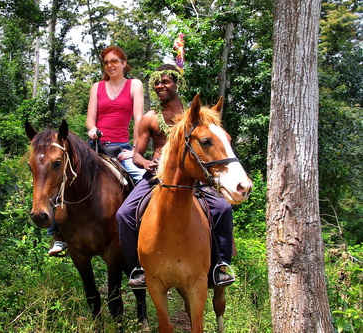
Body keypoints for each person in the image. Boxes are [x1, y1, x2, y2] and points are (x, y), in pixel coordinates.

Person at [116, 64, 236, 288]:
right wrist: (147, 163)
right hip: (157, 177)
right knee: (124, 214)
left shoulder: (195, 115)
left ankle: (221, 264)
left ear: (177, 84)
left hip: (193, 177)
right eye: (157, 83)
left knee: (222, 209)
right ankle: (137, 268)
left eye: (166, 81)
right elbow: (136, 155)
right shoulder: (150, 118)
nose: (160, 85)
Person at [48, 46, 145, 256]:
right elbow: (90, 119)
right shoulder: (97, 87)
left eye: (115, 61)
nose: (111, 65)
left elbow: (139, 119)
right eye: (107, 62)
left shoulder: (134, 85)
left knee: (146, 180)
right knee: (57, 176)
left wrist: (136, 150)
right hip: (95, 148)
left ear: (124, 63)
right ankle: (58, 234)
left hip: (122, 149)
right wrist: (92, 129)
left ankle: (144, 232)